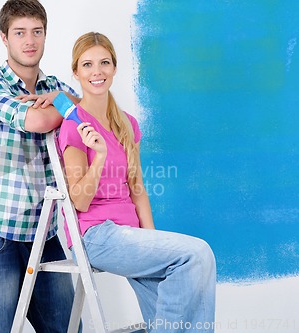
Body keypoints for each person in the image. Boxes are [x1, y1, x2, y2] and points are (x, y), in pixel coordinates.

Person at [57, 32, 216, 333]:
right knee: (197, 254)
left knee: (179, 286)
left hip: (130, 233)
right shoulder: (74, 126)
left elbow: (137, 189)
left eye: (104, 63)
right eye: (88, 65)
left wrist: (154, 241)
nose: (97, 71)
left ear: (114, 68)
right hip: (95, 235)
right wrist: (100, 156)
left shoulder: (127, 123)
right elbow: (78, 200)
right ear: (76, 72)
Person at [0, 1, 81, 332]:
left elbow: (91, 115)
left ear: (45, 35)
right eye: (20, 33)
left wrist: (65, 101)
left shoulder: (55, 87)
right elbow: (39, 120)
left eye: (36, 32)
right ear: (4, 37)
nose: (29, 41)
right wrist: (65, 106)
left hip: (45, 233)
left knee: (69, 328)